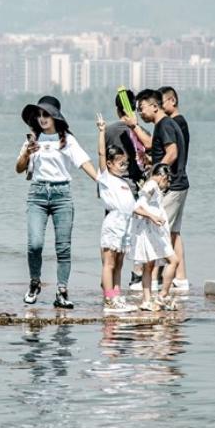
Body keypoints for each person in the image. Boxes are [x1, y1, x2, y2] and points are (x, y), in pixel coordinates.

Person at [15, 95, 100, 309]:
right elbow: (18, 168)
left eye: (46, 114)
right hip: (37, 194)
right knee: (35, 244)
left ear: (55, 117)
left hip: (62, 195)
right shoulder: (32, 139)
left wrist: (102, 181)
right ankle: (35, 283)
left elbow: (84, 162)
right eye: (39, 115)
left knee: (63, 247)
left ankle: (62, 291)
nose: (42, 118)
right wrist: (26, 152)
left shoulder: (67, 140)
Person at [124, 89, 184, 295]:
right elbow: (152, 146)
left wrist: (156, 177)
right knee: (164, 234)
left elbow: (172, 152)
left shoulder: (165, 124)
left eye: (142, 108)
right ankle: (155, 285)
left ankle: (157, 289)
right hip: (173, 185)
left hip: (171, 186)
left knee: (160, 236)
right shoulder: (162, 125)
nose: (140, 113)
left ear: (154, 106)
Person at [94, 116, 138, 314]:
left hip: (126, 226)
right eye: (120, 163)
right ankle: (109, 299)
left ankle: (118, 295)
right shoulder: (106, 178)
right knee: (109, 262)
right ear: (111, 164)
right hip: (113, 224)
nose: (124, 166)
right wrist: (102, 131)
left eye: (125, 163)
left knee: (119, 263)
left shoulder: (124, 183)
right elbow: (101, 154)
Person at [158, 86, 192, 292]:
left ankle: (155, 278)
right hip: (181, 181)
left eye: (161, 103)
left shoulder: (174, 124)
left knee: (160, 229)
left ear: (172, 101)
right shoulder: (180, 123)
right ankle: (181, 277)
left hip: (173, 182)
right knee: (174, 232)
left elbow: (171, 153)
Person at [130, 164, 177, 311]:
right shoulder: (151, 185)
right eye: (168, 181)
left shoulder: (153, 186)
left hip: (150, 231)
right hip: (151, 231)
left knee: (148, 266)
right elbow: (138, 206)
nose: (167, 185)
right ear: (163, 176)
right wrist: (153, 217)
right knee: (173, 261)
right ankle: (162, 295)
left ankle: (147, 300)